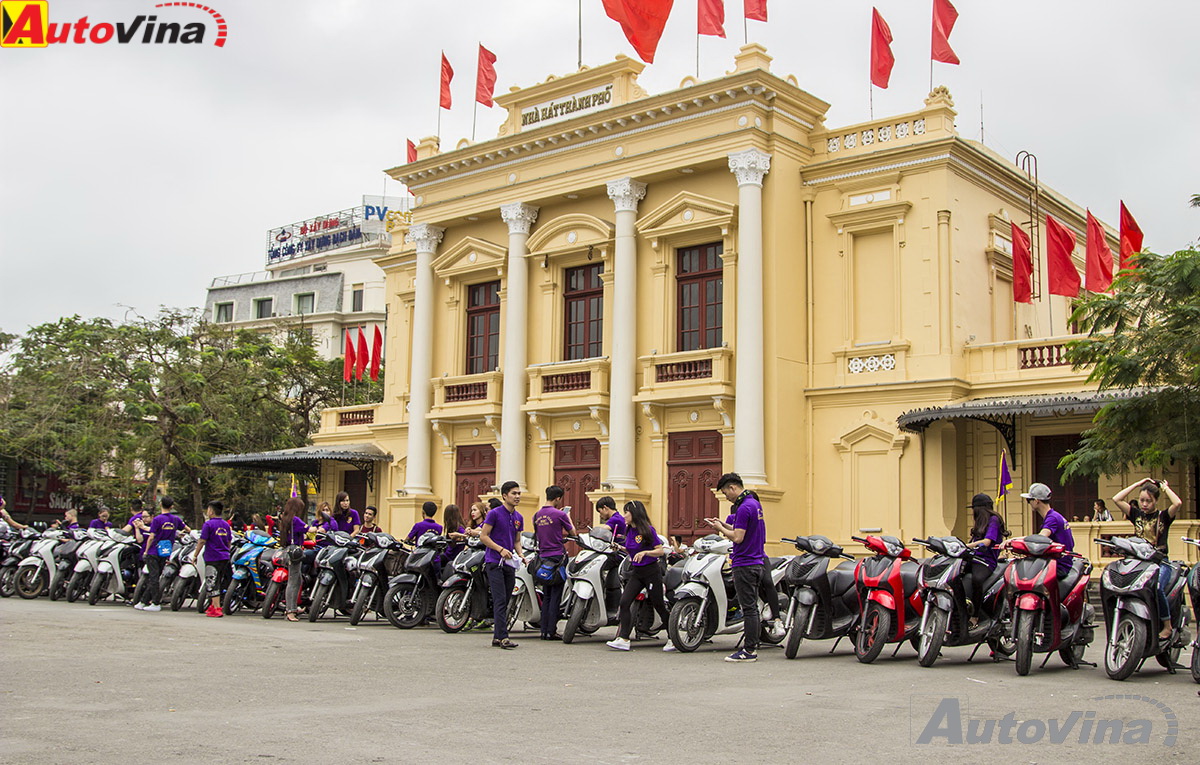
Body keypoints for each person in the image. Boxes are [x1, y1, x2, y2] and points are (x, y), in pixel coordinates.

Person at [704, 473, 781, 663]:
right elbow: (742, 529)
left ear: (733, 487)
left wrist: (720, 529)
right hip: (756, 560)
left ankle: (749, 650)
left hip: (745, 562)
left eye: (725, 493)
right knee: (751, 607)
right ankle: (751, 647)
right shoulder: (754, 504)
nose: (726, 497)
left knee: (749, 609)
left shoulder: (744, 507)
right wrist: (722, 524)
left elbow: (738, 537)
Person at [1114, 478, 1182, 640]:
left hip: (1160, 563)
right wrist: (1138, 484)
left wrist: (1165, 488)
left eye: (1148, 501)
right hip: (1139, 563)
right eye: (1142, 500)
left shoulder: (1163, 516)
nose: (1144, 504)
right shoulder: (1136, 515)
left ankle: (1167, 625)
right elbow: (1117, 499)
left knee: (1156, 587)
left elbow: (1178, 503)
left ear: (1156, 501)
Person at [607, 501, 671, 652]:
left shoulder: (648, 530)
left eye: (626, 512)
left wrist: (645, 553)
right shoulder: (629, 530)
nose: (624, 516)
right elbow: (632, 550)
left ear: (635, 514)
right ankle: (624, 639)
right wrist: (619, 547)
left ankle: (672, 637)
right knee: (624, 602)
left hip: (651, 572)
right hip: (637, 573)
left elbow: (660, 551)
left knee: (658, 605)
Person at [480, 481, 525, 649]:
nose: (517, 496)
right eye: (514, 493)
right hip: (494, 561)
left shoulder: (519, 517)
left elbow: (517, 540)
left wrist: (521, 555)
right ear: (505, 496)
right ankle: (503, 637)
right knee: (499, 599)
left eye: (519, 493)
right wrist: (500, 549)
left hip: (509, 563)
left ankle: (497, 637)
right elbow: (484, 536)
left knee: (505, 599)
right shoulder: (494, 514)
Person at [533, 486, 575, 641]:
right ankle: (551, 630)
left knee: (547, 596)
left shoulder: (537, 515)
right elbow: (573, 532)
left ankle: (544, 631)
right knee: (556, 595)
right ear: (558, 498)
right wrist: (568, 517)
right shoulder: (560, 514)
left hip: (543, 558)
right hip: (557, 557)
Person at [964, 493, 1008, 623]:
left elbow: (987, 541)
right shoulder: (980, 522)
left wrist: (965, 545)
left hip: (986, 561)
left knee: (977, 580)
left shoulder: (994, 520)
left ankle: (975, 616)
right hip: (973, 558)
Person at [135, 496, 184, 612]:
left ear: (161, 504)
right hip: (165, 551)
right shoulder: (175, 519)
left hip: (154, 550)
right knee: (155, 576)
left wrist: (146, 551)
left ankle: (155, 602)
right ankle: (143, 601)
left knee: (153, 578)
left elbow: (151, 536)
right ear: (172, 506)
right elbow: (185, 528)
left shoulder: (157, 519)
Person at [193, 501, 233, 617]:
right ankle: (212, 605)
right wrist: (226, 551)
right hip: (224, 557)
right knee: (218, 580)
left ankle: (217, 608)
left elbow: (202, 540)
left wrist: (195, 555)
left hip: (212, 557)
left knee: (212, 582)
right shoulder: (225, 525)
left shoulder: (208, 524)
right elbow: (229, 541)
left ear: (211, 511)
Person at [277, 496, 310, 622]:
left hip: (287, 551)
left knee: (298, 580)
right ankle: (290, 610)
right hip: (295, 552)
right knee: (293, 581)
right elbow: (309, 529)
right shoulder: (295, 520)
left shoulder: (285, 519)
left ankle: (294, 607)